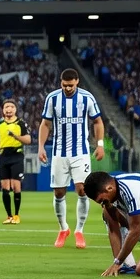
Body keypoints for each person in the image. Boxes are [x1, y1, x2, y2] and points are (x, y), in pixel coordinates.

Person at [38, 69, 105, 249]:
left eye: (71, 85)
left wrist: (100, 144)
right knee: (59, 192)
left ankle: (79, 231)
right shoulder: (52, 98)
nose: (68, 88)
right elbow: (45, 124)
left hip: (80, 153)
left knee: (82, 190)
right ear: (61, 82)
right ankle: (63, 229)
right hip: (59, 153)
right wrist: (41, 146)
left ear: (77, 82)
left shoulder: (87, 98)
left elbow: (98, 121)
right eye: (64, 85)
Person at [0, 100, 32, 225]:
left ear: (15, 109)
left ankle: (16, 215)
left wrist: (15, 136)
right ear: (3, 110)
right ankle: (9, 216)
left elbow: (28, 140)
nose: (9, 109)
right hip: (4, 156)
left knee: (16, 186)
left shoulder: (21, 124)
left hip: (16, 156)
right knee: (5, 187)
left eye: (11, 107)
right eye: (6, 107)